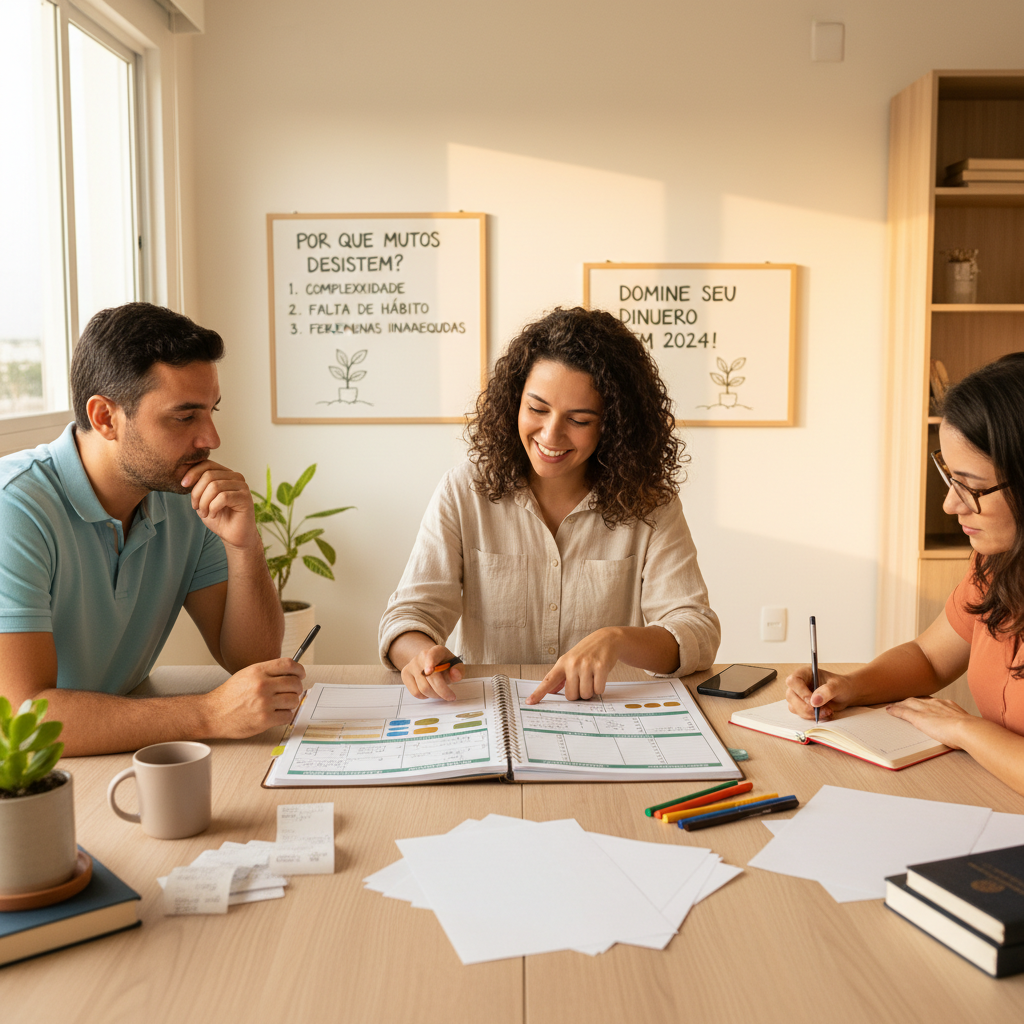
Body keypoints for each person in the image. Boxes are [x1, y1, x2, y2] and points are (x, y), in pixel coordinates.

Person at [0, 303, 304, 756]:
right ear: (104, 417)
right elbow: (25, 720)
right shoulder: (15, 509)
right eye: (185, 416)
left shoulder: (182, 496)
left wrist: (244, 545)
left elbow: (250, 662)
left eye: (210, 411)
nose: (211, 438)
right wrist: (209, 713)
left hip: (118, 752)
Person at [378, 306, 720, 704]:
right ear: (514, 403)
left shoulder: (650, 503)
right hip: (489, 713)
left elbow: (696, 629)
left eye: (579, 419)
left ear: (613, 425)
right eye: (537, 409)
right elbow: (408, 616)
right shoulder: (465, 490)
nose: (551, 434)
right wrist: (419, 654)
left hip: (602, 716)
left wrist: (616, 640)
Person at [785, 355, 1024, 795]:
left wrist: (965, 730)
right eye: (949, 477)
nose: (950, 505)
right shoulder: (997, 564)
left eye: (970, 486)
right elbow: (930, 658)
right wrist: (851, 686)